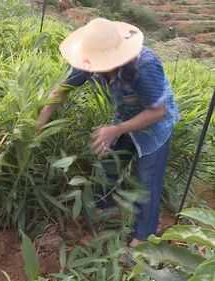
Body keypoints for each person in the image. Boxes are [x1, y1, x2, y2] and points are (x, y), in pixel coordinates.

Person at [35, 18, 179, 247]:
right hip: (123, 118)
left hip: (154, 127)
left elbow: (157, 112)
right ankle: (105, 217)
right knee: (106, 168)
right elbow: (62, 89)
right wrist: (39, 123)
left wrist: (116, 130)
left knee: (147, 182)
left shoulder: (145, 65)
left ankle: (143, 238)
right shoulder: (89, 59)